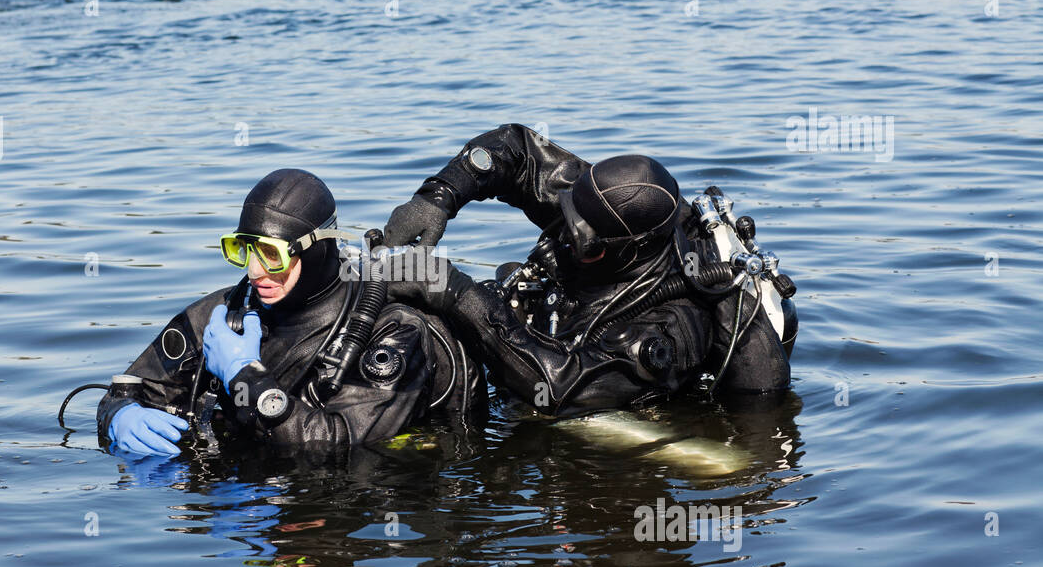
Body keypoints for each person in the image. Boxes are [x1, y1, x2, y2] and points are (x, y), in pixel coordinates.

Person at [380, 124, 797, 417]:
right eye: (566, 216)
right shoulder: (598, 201)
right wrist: (438, 196)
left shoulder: (671, 327)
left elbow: (561, 388)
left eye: (578, 240)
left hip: (594, 389)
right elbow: (516, 149)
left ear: (624, 249)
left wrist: (456, 294)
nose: (562, 239)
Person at [95, 168, 484, 457]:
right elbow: (129, 388)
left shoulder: (393, 332)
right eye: (243, 249)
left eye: (272, 255)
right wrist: (119, 416)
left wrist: (243, 374)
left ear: (315, 251)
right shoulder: (223, 312)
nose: (254, 271)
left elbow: (341, 446)